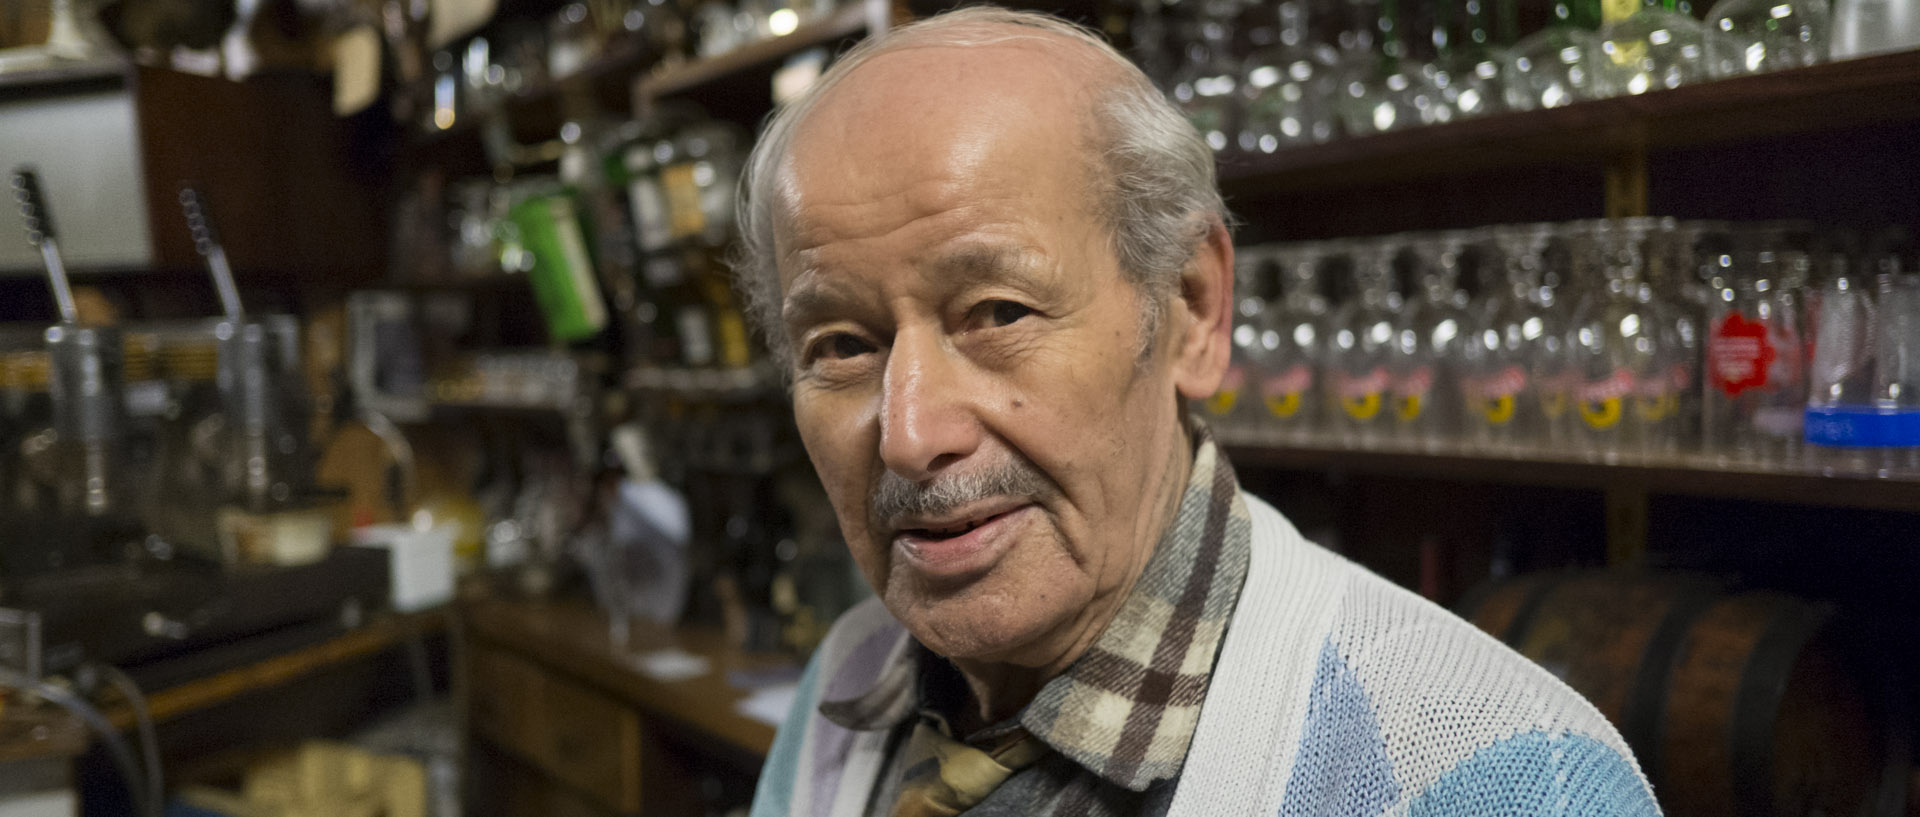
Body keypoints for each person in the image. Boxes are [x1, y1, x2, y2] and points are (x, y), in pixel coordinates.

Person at [730, 7, 1661, 816]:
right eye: (842, 346)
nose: (911, 433)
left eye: (998, 313)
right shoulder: (850, 681)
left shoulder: (1489, 777)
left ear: (1192, 309)